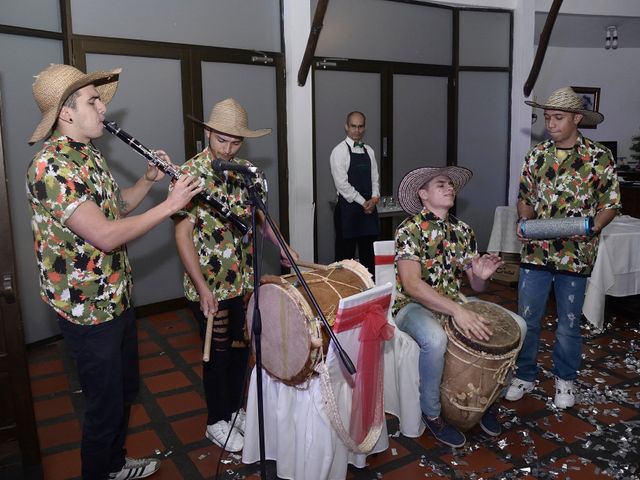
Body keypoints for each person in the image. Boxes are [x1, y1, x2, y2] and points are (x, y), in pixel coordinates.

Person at [26, 64, 203, 480]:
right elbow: (105, 235)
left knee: (124, 393)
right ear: (66, 114)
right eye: (93, 100)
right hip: (88, 312)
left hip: (117, 298)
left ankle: (115, 464)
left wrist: (147, 182)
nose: (104, 106)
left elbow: (114, 208)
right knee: (103, 408)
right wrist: (170, 206)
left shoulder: (88, 154)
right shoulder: (50, 166)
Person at [173, 98, 298, 452]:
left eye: (235, 142)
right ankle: (216, 419)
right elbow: (182, 235)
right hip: (209, 285)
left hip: (243, 280)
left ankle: (234, 409)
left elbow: (261, 219)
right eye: (221, 140)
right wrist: (201, 288)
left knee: (243, 350)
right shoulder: (189, 175)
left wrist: (284, 247)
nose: (227, 148)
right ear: (208, 133)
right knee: (218, 354)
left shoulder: (247, 173)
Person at [392, 166, 527, 447]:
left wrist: (481, 276)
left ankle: (490, 402)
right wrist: (457, 311)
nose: (450, 188)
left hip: (456, 301)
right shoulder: (409, 229)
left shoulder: (463, 231)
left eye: (451, 185)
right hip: (413, 305)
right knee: (435, 338)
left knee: (520, 326)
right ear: (423, 194)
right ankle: (432, 413)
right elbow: (412, 285)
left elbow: (476, 288)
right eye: (441, 184)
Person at [506, 87, 621, 408]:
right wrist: (524, 220)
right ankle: (525, 375)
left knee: (569, 322)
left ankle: (565, 380)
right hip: (536, 253)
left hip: (576, 255)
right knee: (527, 318)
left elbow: (610, 203)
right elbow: (525, 198)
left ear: (577, 118)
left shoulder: (599, 158)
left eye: (558, 118)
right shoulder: (536, 155)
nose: (551, 124)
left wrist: (595, 225)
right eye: (547, 118)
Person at [330, 111, 380, 277]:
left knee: (369, 257)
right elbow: (342, 185)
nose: (357, 130)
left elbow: (375, 178)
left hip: (369, 210)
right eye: (353, 126)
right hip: (348, 210)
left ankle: (371, 294)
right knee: (345, 259)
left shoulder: (369, 151)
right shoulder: (339, 151)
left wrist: (374, 199)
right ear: (346, 126)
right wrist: (363, 202)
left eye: (360, 127)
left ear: (364, 128)